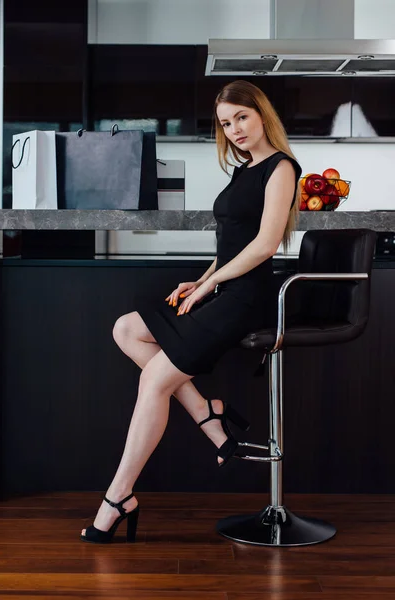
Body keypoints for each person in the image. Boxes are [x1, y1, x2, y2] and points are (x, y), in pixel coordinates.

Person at [80, 79, 302, 544]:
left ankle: (118, 497)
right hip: (225, 290)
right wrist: (202, 280)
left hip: (246, 300)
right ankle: (208, 412)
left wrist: (213, 286)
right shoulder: (245, 170)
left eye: (241, 117)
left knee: (154, 378)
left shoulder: (282, 167)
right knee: (127, 330)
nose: (235, 129)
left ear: (261, 113)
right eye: (226, 123)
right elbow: (232, 246)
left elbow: (264, 246)